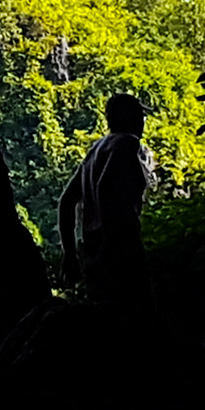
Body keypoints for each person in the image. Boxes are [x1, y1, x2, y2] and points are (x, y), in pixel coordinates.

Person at [57, 94, 156, 300]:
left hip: (92, 254)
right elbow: (107, 188)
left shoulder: (95, 150)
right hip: (117, 251)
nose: (142, 121)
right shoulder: (127, 144)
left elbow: (67, 201)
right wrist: (120, 243)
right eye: (139, 115)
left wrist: (70, 254)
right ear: (130, 117)